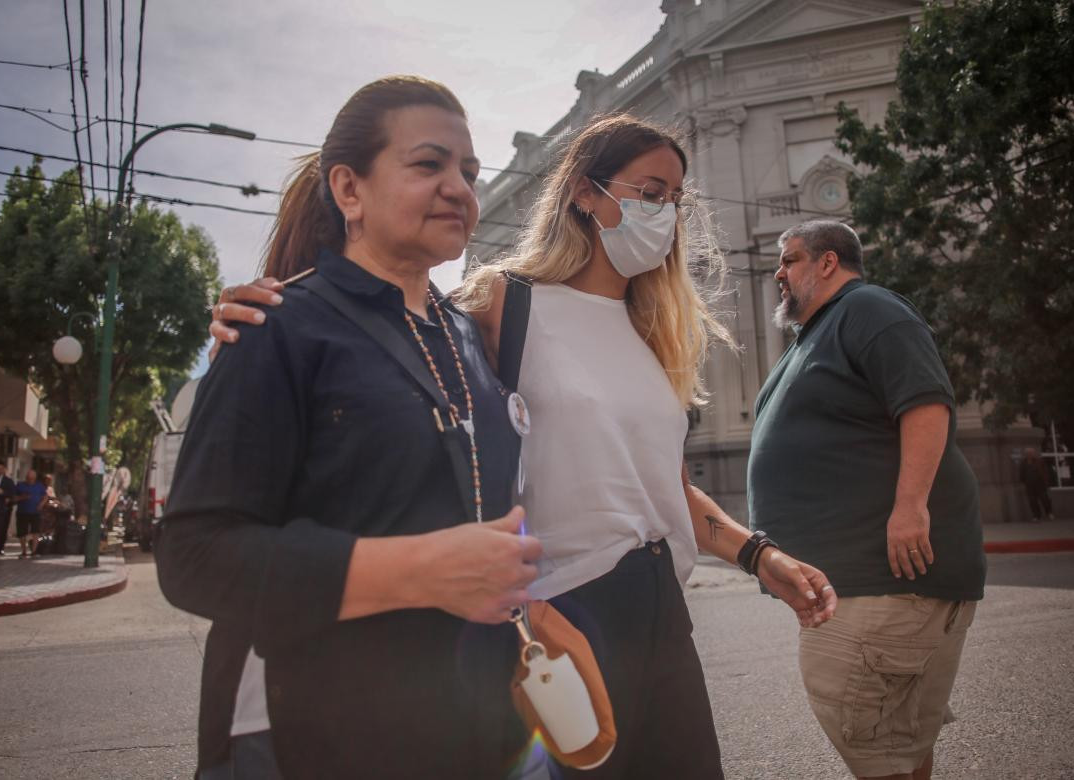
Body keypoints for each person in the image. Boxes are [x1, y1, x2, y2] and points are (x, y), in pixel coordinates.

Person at [213, 112, 838, 779]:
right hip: (565, 612)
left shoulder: (650, 328)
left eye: (677, 201)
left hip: (665, 616)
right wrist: (275, 302)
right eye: (651, 193)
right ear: (584, 193)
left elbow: (664, 486)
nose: (668, 214)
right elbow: (384, 362)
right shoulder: (501, 305)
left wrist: (756, 553)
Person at [155, 76, 543, 779]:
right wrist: (420, 571)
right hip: (312, 734)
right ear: (350, 190)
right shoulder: (278, 327)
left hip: (475, 728)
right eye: (429, 164)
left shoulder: (469, 338)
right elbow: (194, 557)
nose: (458, 186)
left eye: (470, 171)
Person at [749, 220, 986, 780]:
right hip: (862, 583)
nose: (779, 274)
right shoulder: (818, 331)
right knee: (899, 743)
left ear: (828, 262)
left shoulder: (870, 308)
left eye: (790, 260)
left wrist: (910, 508)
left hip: (881, 580)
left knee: (879, 748)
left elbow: (925, 403)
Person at [13, 469, 45, 558]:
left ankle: (34, 552)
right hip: (22, 512)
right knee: (22, 532)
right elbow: (13, 498)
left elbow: (45, 496)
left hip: (35, 512)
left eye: (32, 478)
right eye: (28, 478)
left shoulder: (39, 486)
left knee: (35, 532)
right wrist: (22, 497)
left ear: (35, 478)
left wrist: (41, 504)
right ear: (26, 478)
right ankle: (24, 552)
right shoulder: (20, 485)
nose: (30, 480)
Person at [1019, 447, 1054, 522]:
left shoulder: (1039, 461)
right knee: (1032, 501)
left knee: (1044, 499)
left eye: (1031, 453)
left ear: (1034, 453)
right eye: (1027, 453)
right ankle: (1036, 516)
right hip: (1029, 485)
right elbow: (1021, 474)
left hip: (1040, 484)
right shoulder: (1023, 463)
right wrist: (1023, 482)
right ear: (1025, 454)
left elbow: (1045, 472)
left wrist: (1046, 482)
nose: (1029, 455)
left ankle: (1049, 513)